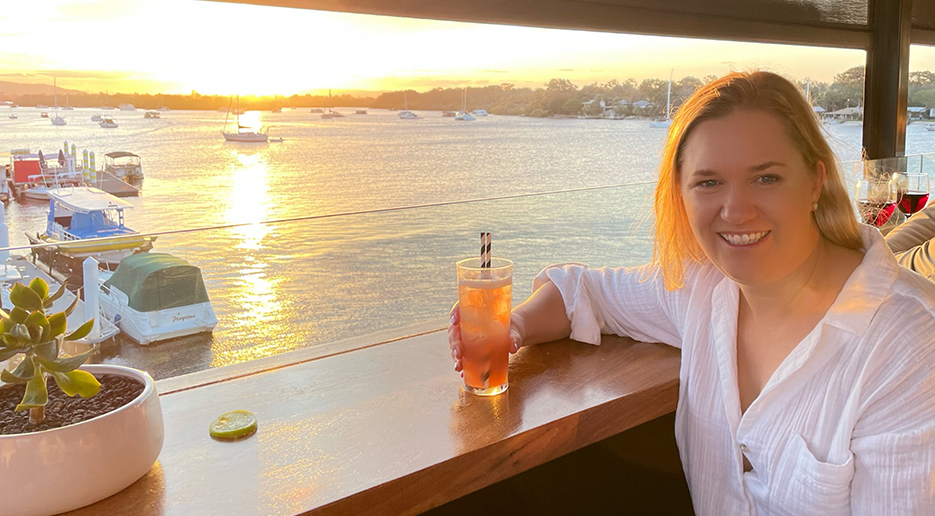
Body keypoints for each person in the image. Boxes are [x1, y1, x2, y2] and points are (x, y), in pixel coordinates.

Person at [448, 71, 935, 514]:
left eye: (766, 177)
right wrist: (512, 325)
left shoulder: (911, 348)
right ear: (680, 195)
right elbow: (584, 291)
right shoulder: (702, 288)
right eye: (708, 182)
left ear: (815, 182)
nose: (736, 210)